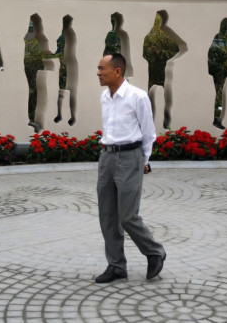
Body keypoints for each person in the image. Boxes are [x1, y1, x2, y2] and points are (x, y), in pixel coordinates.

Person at [95, 53, 166, 283]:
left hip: (130, 157)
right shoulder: (105, 97)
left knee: (127, 216)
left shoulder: (138, 96)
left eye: (101, 68)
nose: (98, 73)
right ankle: (116, 266)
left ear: (117, 71)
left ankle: (154, 251)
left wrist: (143, 161)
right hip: (107, 157)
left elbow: (149, 133)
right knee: (107, 216)